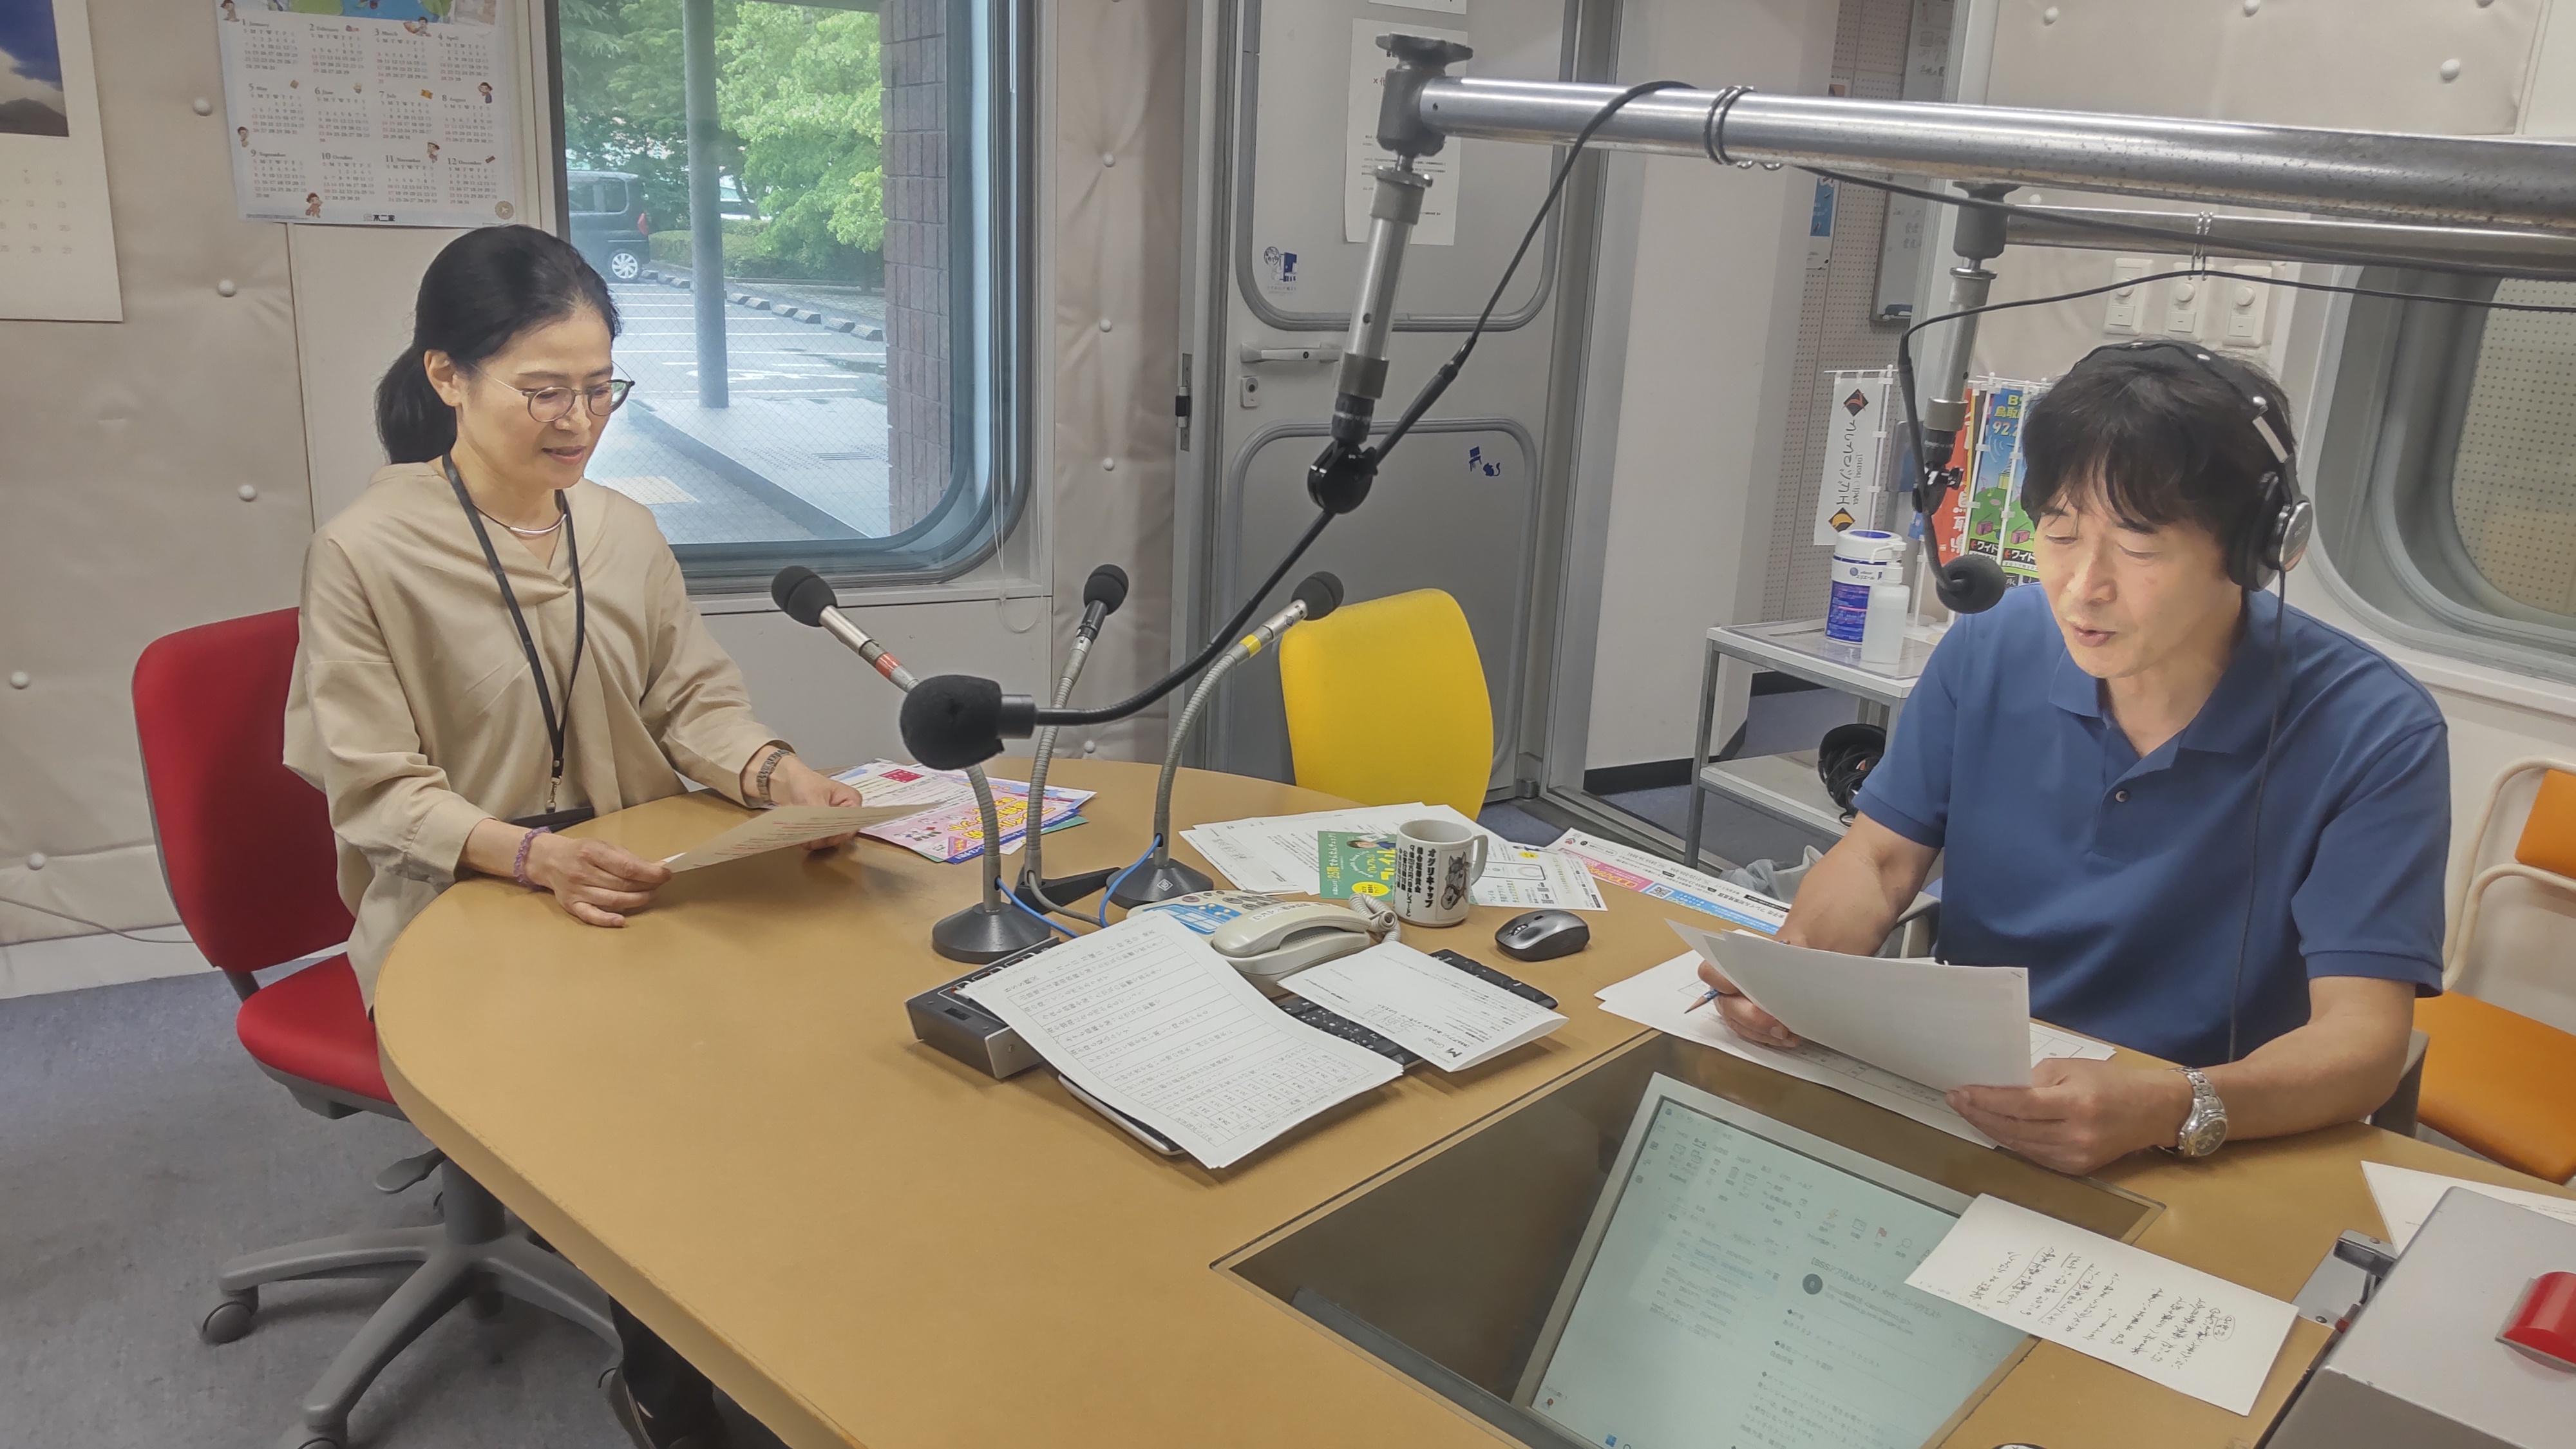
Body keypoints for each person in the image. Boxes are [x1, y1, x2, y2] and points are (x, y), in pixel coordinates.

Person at [287, 225, 846, 1449]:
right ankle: (666, 1388)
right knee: (650, 1098)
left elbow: (689, 700)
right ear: (447, 376)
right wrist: (533, 855)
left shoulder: (623, 530)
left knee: (800, 1024)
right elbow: (376, 787)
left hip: (636, 869)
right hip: (455, 898)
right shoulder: (366, 554)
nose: (579, 420)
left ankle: (802, 1335)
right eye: (545, 390)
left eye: (601, 388)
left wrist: (776, 774)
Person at [1696, 344, 2447, 1175]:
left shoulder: (2374, 729)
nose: (2083, 587)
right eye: (2059, 532)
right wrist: (1799, 969)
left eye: (2139, 548)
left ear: (2255, 550)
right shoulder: (1991, 646)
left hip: (2206, 1132)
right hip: (1974, 1090)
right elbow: (1878, 859)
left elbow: (2363, 1040)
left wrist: (2172, 1104)